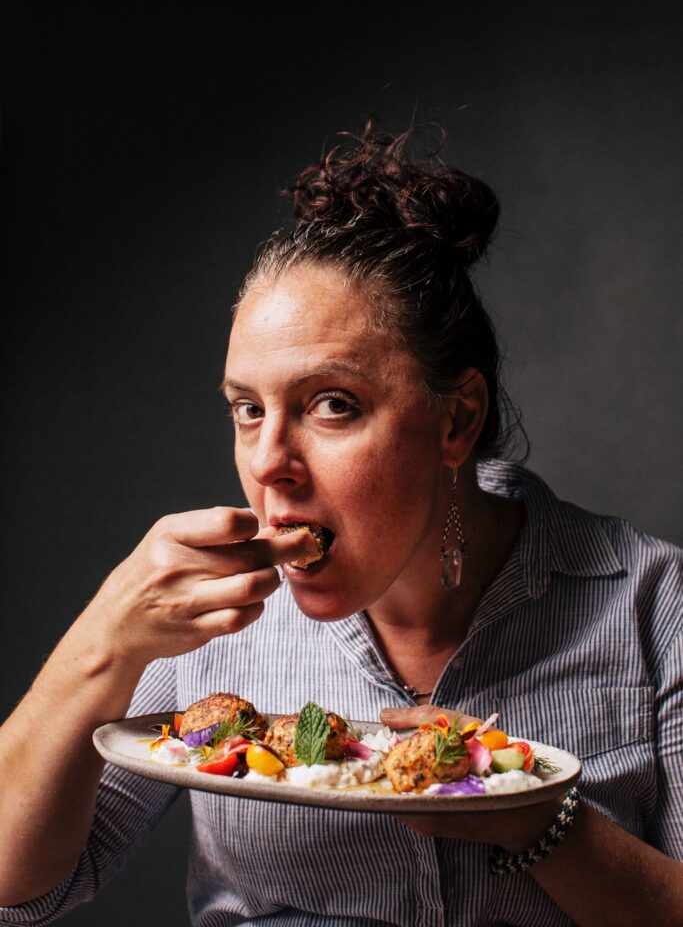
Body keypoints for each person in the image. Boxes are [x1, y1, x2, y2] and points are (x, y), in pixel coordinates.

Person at [0, 119, 681, 927]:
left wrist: (535, 821)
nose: (269, 462)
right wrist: (100, 643)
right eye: (248, 410)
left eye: (331, 404)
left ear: (456, 420)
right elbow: (19, 893)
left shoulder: (652, 603)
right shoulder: (198, 618)